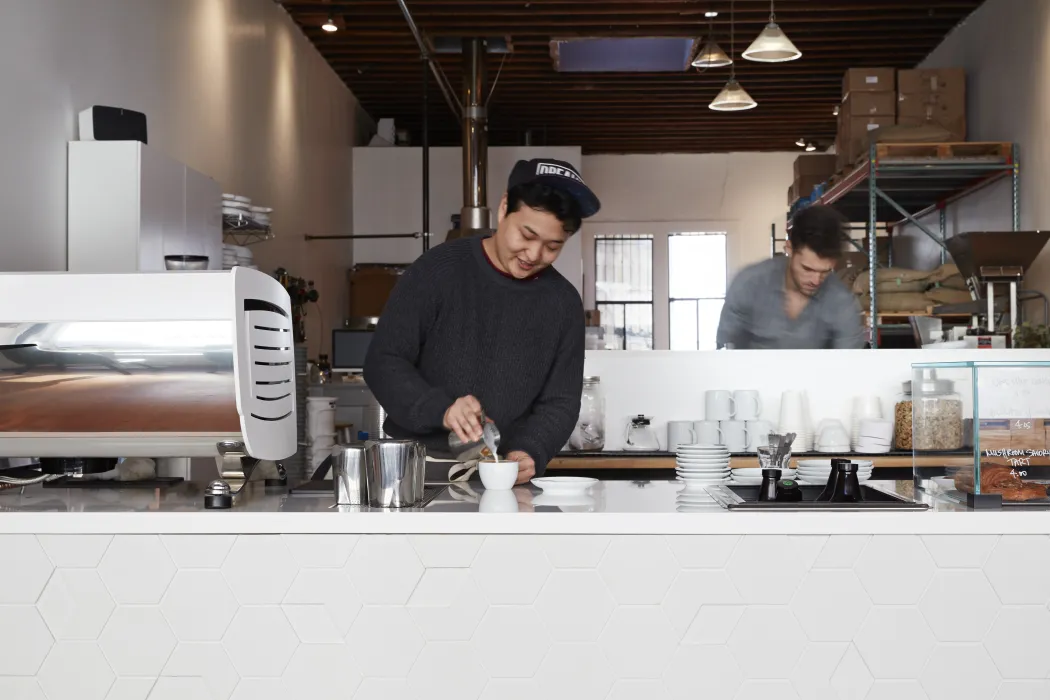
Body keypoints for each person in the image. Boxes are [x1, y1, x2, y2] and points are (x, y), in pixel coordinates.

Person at [363, 158, 600, 484]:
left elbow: (559, 402)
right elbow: (383, 362)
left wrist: (532, 450)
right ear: (504, 209)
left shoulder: (563, 303)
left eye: (552, 246)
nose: (533, 254)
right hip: (415, 472)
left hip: (503, 479)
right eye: (526, 234)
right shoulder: (437, 271)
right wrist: (442, 410)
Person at [716, 204, 865, 350]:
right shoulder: (749, 284)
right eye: (807, 268)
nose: (815, 280)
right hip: (752, 373)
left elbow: (847, 364)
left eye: (825, 271)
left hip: (817, 374)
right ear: (789, 249)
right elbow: (726, 349)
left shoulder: (841, 300)